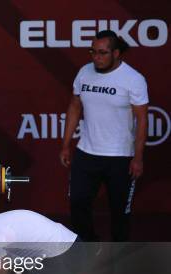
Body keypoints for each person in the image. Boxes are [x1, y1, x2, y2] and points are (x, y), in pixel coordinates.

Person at [60, 30, 148, 242]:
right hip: (86, 153)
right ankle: (90, 247)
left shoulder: (133, 79)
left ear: (116, 53)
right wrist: (65, 145)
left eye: (102, 53)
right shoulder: (84, 72)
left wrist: (138, 158)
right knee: (77, 203)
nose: (96, 57)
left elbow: (142, 119)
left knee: (120, 213)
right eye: (93, 52)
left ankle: (118, 257)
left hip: (120, 156)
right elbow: (74, 106)